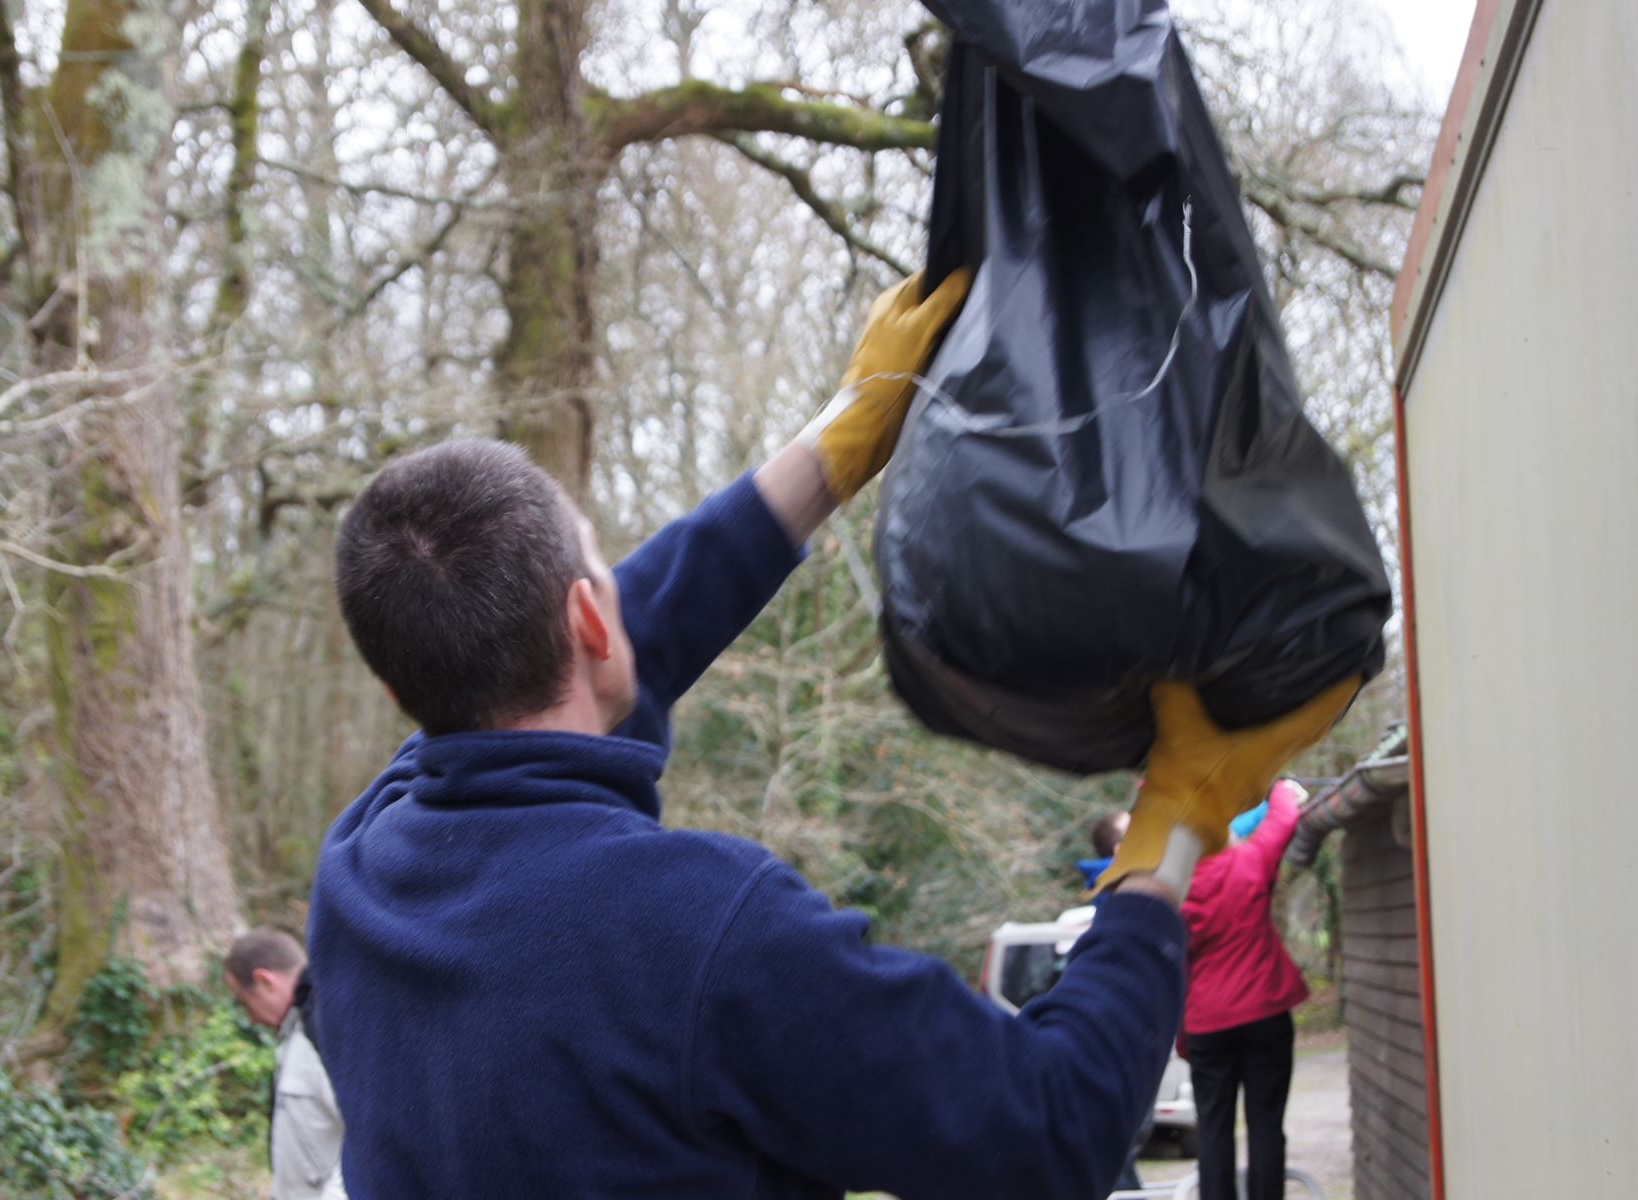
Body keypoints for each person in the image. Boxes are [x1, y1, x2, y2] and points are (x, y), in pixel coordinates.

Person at [307, 268, 1352, 1199]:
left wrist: (840, 443)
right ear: (588, 619)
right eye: (602, 572)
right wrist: (1168, 831)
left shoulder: (362, 872)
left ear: (407, 693)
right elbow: (1052, 1129)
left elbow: (605, 659)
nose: (629, 600)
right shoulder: (702, 935)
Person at [1178, 780, 1312, 1200]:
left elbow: (1177, 970)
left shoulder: (1175, 893)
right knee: (1266, 1123)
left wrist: (1183, 1036)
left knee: (1213, 1128)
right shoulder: (1249, 862)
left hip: (1206, 1023)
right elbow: (1283, 819)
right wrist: (1278, 786)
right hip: (1264, 1012)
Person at [224, 929, 346, 1200]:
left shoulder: (326, 1029)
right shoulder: (297, 1029)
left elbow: (371, 1142)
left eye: (244, 1003)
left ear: (264, 981)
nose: (251, 1019)